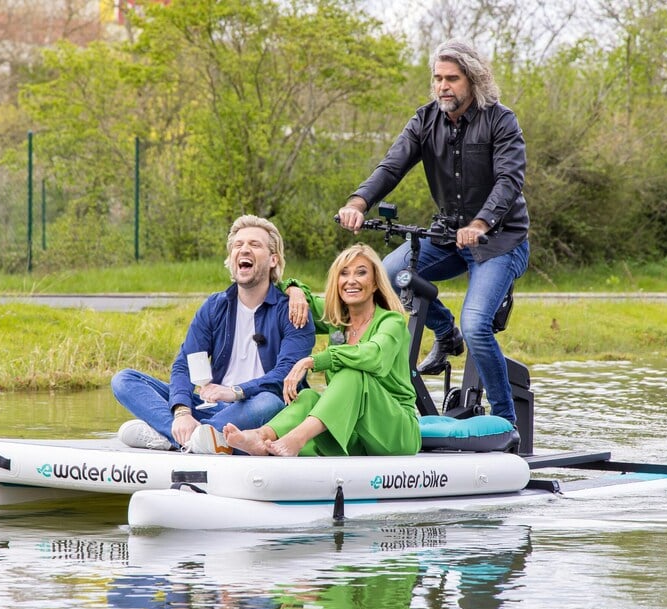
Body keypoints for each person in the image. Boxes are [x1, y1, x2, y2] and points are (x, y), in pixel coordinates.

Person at [335, 38, 530, 424]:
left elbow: (509, 181)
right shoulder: (424, 120)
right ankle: (445, 334)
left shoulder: (501, 120)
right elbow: (391, 167)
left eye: (452, 79)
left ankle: (506, 424)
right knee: (389, 273)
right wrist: (358, 203)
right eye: (438, 78)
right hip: (445, 237)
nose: (443, 86)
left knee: (476, 325)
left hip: (499, 241)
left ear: (473, 80)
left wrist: (479, 223)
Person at [111, 215, 316, 453]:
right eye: (238, 245)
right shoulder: (215, 306)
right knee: (125, 380)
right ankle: (192, 436)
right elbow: (185, 364)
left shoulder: (292, 310)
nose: (244, 250)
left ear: (273, 259)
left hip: (258, 409)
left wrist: (236, 392)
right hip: (210, 407)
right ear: (231, 259)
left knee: (269, 401)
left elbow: (285, 374)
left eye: (254, 244)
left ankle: (176, 436)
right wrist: (182, 412)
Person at [224, 243, 420, 457]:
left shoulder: (392, 322)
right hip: (354, 433)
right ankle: (261, 437)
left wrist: (312, 361)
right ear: (337, 283)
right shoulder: (336, 320)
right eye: (344, 274)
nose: (351, 280)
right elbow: (280, 290)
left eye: (361, 273)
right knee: (307, 396)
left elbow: (373, 356)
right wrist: (295, 291)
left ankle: (295, 439)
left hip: (396, 432)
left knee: (352, 374)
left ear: (374, 283)